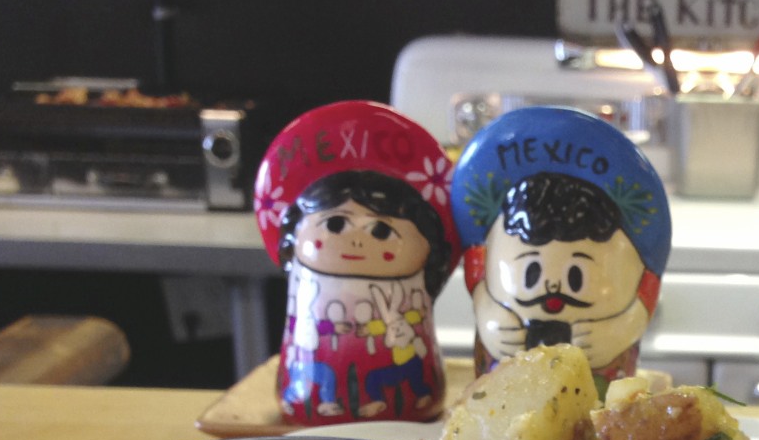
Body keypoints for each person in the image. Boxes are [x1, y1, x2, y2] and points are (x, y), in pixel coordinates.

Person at [452, 105, 671, 382]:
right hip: (502, 391)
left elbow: (650, 277)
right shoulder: (486, 246)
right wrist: (490, 315)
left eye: (575, 275)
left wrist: (622, 329)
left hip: (603, 386)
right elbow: (475, 268)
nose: (552, 288)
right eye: (531, 271)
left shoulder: (635, 248)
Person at [277, 169, 450, 420]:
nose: (357, 241)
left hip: (412, 419)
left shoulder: (412, 289)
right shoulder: (306, 281)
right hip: (307, 414)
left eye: (381, 230)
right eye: (336, 224)